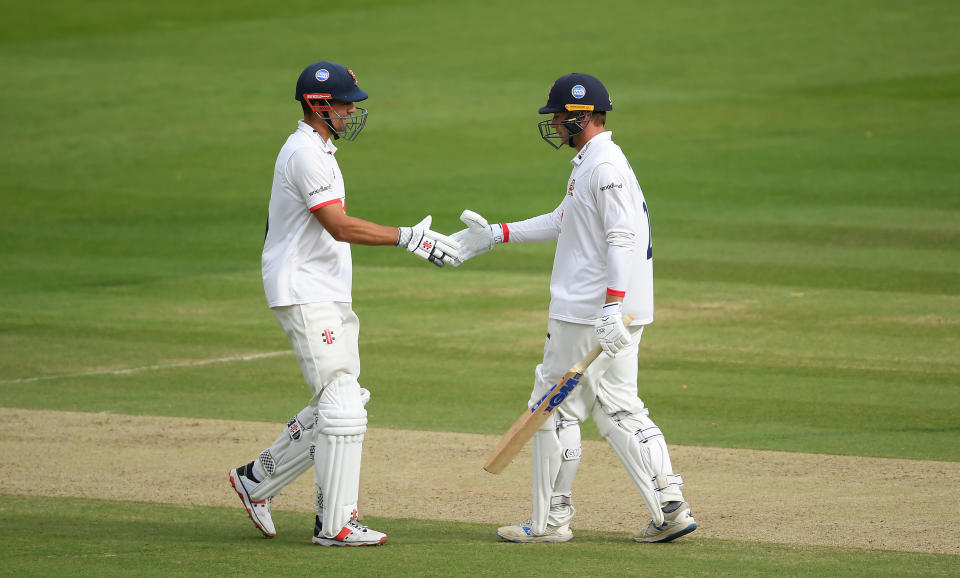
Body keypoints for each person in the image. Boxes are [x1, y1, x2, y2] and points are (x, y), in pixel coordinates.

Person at [451, 73, 696, 543]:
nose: (555, 126)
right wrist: (497, 234)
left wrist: (610, 307)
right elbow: (563, 220)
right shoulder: (599, 161)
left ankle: (549, 521)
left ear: (581, 117)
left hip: (588, 312)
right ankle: (670, 506)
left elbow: (622, 237)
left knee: (553, 409)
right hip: (615, 313)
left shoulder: (602, 168)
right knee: (618, 409)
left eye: (559, 118)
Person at [228, 60, 459, 547]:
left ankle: (256, 481)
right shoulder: (304, 154)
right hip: (304, 289)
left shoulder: (319, 150)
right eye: (344, 103)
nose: (352, 110)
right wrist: (408, 238)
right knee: (341, 404)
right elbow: (337, 225)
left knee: (344, 402)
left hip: (324, 289)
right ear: (318, 104)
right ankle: (334, 524)